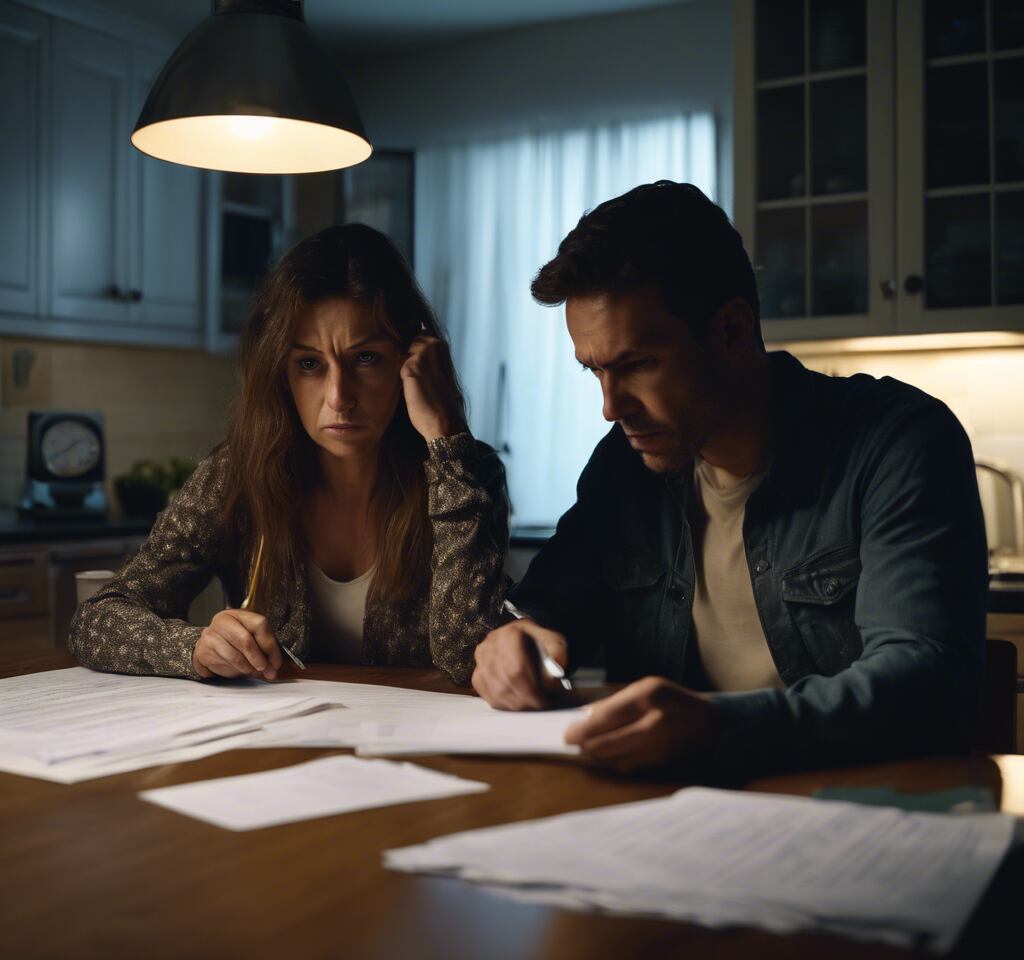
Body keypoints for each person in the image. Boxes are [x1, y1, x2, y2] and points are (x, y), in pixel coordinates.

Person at [471, 181, 987, 778]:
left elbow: (925, 687)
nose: (611, 407)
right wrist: (513, 640)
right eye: (595, 372)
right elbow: (540, 608)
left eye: (637, 364)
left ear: (732, 331)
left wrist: (720, 729)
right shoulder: (625, 466)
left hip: (861, 811)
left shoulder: (898, 443)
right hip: (675, 817)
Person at [70, 224, 509, 685]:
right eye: (310, 364)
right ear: (282, 374)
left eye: (365, 359)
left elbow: (469, 654)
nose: (339, 397)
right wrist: (195, 647)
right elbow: (97, 621)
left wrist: (447, 438)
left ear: (413, 360)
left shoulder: (467, 473)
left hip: (415, 744)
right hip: (279, 742)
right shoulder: (236, 476)